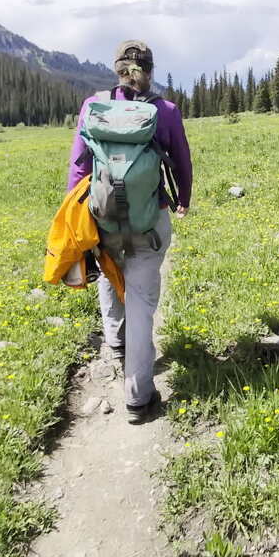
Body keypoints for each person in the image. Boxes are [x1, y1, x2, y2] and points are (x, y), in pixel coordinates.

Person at [67, 40, 193, 424]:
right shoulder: (165, 110)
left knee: (109, 273)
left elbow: (78, 166)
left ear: (117, 70)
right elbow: (182, 162)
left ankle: (117, 344)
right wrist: (183, 198)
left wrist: (77, 216)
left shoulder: (94, 106)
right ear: (150, 70)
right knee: (141, 299)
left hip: (104, 217)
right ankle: (138, 397)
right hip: (148, 219)